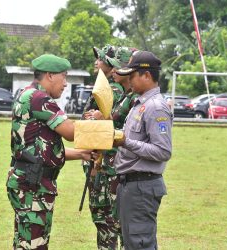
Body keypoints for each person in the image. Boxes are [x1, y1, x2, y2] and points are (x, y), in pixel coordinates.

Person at [7, 54, 96, 250]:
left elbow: (45, 150)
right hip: (33, 185)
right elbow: (71, 132)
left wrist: (81, 154)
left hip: (30, 179)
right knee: (34, 245)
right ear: (49, 76)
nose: (65, 83)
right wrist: (97, 121)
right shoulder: (40, 98)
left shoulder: (26, 93)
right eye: (63, 77)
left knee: (26, 243)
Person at [113, 51, 173, 250]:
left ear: (147, 76)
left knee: (140, 244)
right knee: (133, 243)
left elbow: (163, 151)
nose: (128, 80)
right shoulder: (140, 104)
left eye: (132, 75)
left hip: (142, 186)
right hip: (132, 185)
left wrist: (125, 142)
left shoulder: (155, 107)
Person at [88, 46, 138, 249]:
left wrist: (103, 119)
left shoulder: (133, 97)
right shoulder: (126, 95)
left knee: (119, 223)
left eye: (119, 67)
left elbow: (123, 131)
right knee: (106, 219)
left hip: (119, 166)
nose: (115, 71)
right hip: (108, 163)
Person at [81, 44, 125, 250]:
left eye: (99, 59)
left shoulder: (112, 89)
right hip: (99, 159)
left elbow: (109, 123)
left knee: (106, 217)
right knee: (105, 217)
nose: (96, 62)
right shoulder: (105, 87)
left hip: (106, 162)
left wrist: (100, 117)